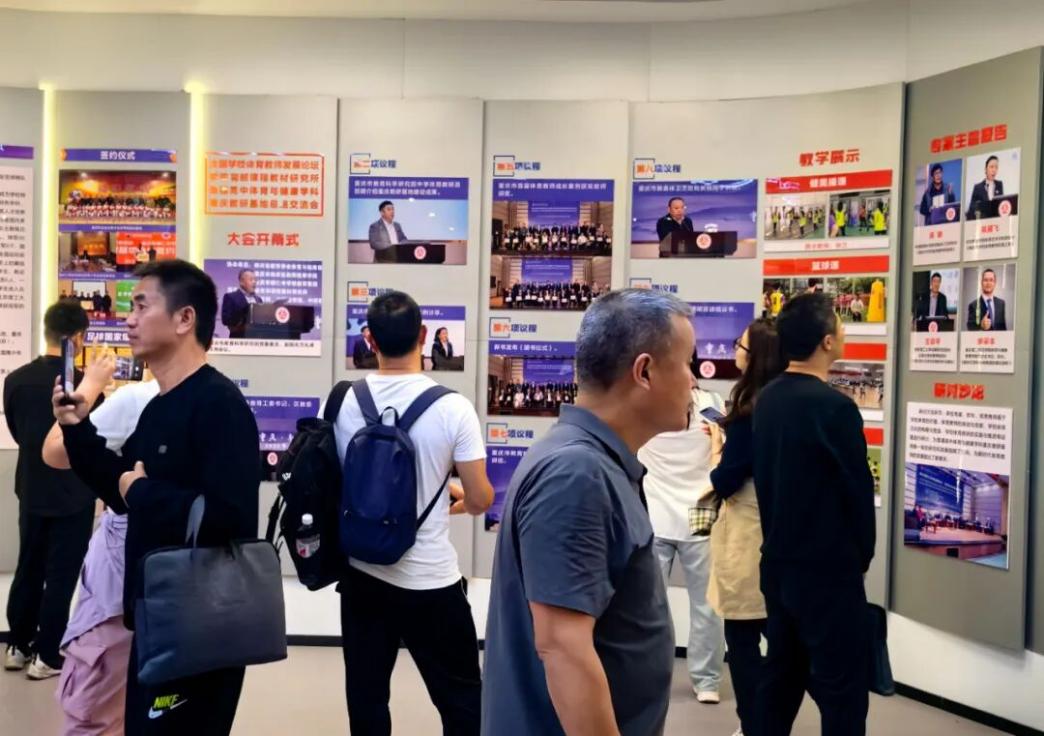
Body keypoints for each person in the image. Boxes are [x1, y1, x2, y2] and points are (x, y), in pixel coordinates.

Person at [54, 259, 261, 735]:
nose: (129, 319)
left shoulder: (219, 405)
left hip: (200, 627)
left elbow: (229, 518)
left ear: (185, 318)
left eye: (141, 306)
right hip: (154, 617)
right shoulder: (158, 407)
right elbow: (120, 488)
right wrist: (77, 429)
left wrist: (144, 491)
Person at [483, 289, 690, 736]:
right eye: (687, 363)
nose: (693, 380)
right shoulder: (577, 474)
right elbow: (563, 649)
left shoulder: (593, 463)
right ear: (645, 371)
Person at [332, 291, 493, 736]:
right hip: (430, 581)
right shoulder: (453, 408)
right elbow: (481, 498)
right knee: (461, 702)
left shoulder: (343, 401)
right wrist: (455, 499)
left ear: (370, 339)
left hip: (362, 575)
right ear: (423, 335)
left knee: (367, 702)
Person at [752, 292, 876, 736]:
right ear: (827, 341)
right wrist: (861, 556)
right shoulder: (835, 408)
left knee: (780, 679)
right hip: (827, 574)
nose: (843, 331)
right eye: (839, 325)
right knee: (843, 692)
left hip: (779, 565)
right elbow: (857, 492)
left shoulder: (768, 399)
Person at [43, 355, 161, 736]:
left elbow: (54, 450)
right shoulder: (215, 399)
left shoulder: (137, 399)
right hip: (175, 583)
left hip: (119, 578)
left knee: (94, 709)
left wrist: (91, 383)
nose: (131, 326)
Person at [3, 300, 98, 681]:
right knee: (62, 574)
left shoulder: (15, 380)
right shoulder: (83, 387)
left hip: (31, 488)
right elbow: (91, 442)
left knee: (28, 565)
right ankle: (46, 655)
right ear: (78, 337)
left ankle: (17, 645)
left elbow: (16, 430)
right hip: (74, 493)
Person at [706, 318, 785, 736]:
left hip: (747, 535)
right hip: (781, 535)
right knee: (783, 636)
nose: (734, 348)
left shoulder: (747, 411)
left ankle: (755, 725)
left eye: (740, 344)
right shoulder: (786, 404)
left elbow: (726, 480)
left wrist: (717, 450)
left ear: (756, 357)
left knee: (741, 638)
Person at [637, 363, 727, 704]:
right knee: (700, 604)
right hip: (680, 511)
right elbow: (723, 450)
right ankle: (704, 680)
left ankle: (664, 676)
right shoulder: (709, 404)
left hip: (674, 512)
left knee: (656, 605)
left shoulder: (649, 406)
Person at [219, 268, 262, 339]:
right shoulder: (230, 297)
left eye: (255, 280)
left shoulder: (258, 299)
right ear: (242, 282)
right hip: (239, 339)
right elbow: (226, 319)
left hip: (257, 339)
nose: (254, 282)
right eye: (251, 280)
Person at [967, 155, 1004, 220]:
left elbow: (1001, 205)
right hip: (982, 221)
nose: (994, 170)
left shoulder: (999, 185)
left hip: (997, 221)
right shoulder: (978, 187)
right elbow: (971, 209)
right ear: (985, 169)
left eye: (996, 167)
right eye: (991, 167)